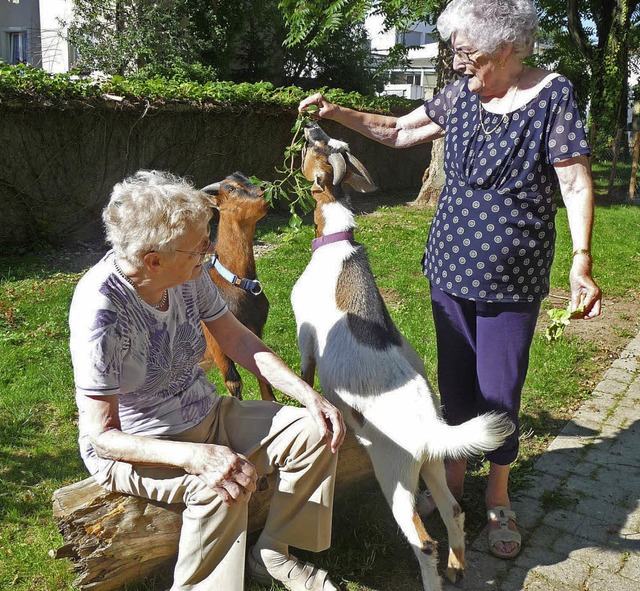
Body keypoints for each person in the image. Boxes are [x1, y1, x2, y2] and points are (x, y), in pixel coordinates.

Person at [299, 0, 602, 560]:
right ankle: (453, 486)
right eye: (456, 51)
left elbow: (577, 183)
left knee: (500, 386)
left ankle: (498, 496)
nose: (459, 63)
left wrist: (581, 259)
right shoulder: (462, 93)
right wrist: (336, 112)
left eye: (468, 52)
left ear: (508, 47)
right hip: (450, 266)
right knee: (457, 382)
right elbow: (395, 131)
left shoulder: (552, 95)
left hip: (514, 275)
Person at [68, 170, 346, 591]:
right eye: (200, 246)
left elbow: (235, 337)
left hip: (206, 412)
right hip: (142, 445)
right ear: (153, 260)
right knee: (222, 488)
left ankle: (273, 551)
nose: (210, 249)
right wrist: (195, 458)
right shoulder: (102, 312)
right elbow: (102, 435)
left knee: (316, 430)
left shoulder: (188, 273)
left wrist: (308, 396)